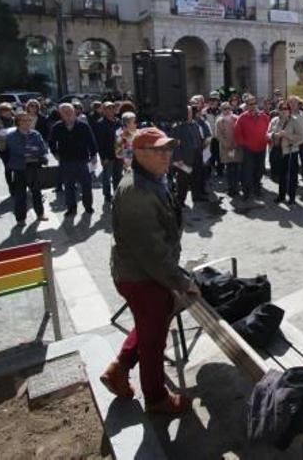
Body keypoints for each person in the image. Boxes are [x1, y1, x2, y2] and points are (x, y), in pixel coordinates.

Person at [99, 127, 200, 415]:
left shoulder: (152, 178)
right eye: (158, 150)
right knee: (154, 338)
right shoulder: (136, 191)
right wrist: (181, 280)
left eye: (168, 149)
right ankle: (156, 399)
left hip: (144, 273)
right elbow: (151, 252)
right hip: (141, 276)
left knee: (149, 324)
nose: (166, 154)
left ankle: (118, 369)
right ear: (139, 153)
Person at [49, 103, 98, 216]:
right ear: (60, 114)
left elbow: (91, 141)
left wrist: (94, 155)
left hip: (82, 160)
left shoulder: (83, 126)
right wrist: (55, 153)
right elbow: (51, 142)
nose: (68, 113)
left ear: (74, 112)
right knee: (69, 186)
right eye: (64, 112)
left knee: (86, 185)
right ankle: (71, 208)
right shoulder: (57, 127)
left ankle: (88, 206)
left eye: (70, 111)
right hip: (66, 161)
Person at [6, 111, 49, 226]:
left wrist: (41, 155)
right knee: (20, 195)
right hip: (20, 168)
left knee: (36, 192)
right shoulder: (12, 136)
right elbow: (17, 150)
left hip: (34, 167)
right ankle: (20, 219)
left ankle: (40, 214)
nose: (27, 122)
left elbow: (42, 149)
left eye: (28, 120)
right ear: (18, 122)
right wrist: (32, 152)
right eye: (24, 120)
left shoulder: (35, 134)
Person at [268, 100, 303, 205]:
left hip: (291, 152)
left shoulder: (295, 120)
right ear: (278, 110)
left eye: (286, 108)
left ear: (289, 110)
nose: (284, 111)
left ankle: (292, 197)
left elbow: (301, 137)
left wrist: (287, 135)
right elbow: (267, 133)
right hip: (278, 150)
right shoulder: (274, 120)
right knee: (281, 175)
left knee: (292, 175)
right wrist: (273, 135)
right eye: (281, 109)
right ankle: (281, 196)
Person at [234, 95, 271, 200]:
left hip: (261, 148)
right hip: (248, 149)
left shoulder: (264, 116)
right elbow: (237, 132)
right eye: (251, 104)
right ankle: (246, 191)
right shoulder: (242, 117)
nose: (253, 106)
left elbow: (269, 129)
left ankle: (257, 189)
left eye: (255, 103)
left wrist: (268, 140)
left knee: (259, 170)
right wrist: (243, 144)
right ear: (246, 105)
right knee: (247, 171)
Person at [170, 107, 205, 207]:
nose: (189, 114)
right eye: (187, 112)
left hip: (196, 155)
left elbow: (199, 138)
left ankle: (197, 196)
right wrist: (178, 158)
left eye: (190, 112)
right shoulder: (177, 127)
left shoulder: (195, 124)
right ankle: (180, 201)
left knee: (196, 177)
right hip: (184, 158)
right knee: (182, 181)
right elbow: (175, 145)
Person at [94, 101, 122, 202]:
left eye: (112, 108)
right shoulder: (100, 123)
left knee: (118, 175)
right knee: (106, 177)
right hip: (107, 155)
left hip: (119, 153)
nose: (110, 110)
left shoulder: (118, 121)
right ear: (104, 111)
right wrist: (102, 157)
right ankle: (107, 195)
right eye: (107, 108)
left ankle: (117, 193)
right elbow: (99, 142)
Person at [214, 102, 242, 196]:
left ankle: (236, 187)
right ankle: (231, 188)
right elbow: (219, 135)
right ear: (221, 110)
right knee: (229, 169)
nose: (227, 110)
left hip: (236, 147)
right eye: (224, 109)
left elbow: (240, 131)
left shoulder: (237, 118)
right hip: (226, 149)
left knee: (237, 168)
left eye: (228, 108)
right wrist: (228, 145)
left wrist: (236, 143)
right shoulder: (219, 121)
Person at [0, 102, 15, 187]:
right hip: (4, 148)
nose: (8, 112)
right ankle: (11, 187)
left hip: (15, 148)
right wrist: (9, 135)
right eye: (5, 111)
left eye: (9, 110)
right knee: (8, 168)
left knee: (17, 168)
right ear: (1, 112)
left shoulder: (15, 120)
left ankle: (17, 186)